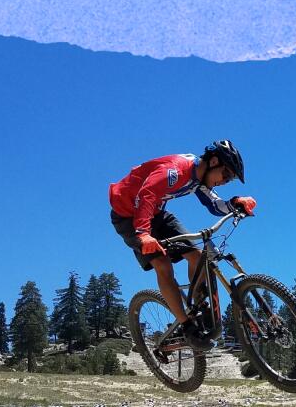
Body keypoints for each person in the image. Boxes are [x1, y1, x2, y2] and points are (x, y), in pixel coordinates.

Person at [109, 139, 256, 348]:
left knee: (197, 257)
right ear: (214, 161)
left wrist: (235, 203)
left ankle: (197, 309)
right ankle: (187, 327)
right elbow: (147, 194)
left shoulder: (199, 178)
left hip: (156, 213)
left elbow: (214, 204)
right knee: (163, 265)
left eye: (229, 179)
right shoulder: (176, 171)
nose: (225, 181)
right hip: (128, 216)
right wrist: (143, 233)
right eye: (226, 175)